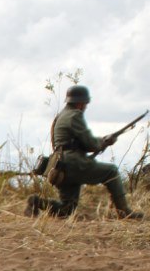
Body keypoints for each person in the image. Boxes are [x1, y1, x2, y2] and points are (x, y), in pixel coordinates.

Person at [46, 85, 140, 219]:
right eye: (85, 104)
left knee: (67, 209)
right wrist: (104, 142)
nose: (85, 107)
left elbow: (66, 143)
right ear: (80, 103)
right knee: (111, 171)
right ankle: (124, 212)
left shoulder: (60, 116)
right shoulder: (75, 115)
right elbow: (90, 144)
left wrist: (101, 141)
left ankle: (36, 202)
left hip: (60, 165)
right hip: (73, 163)